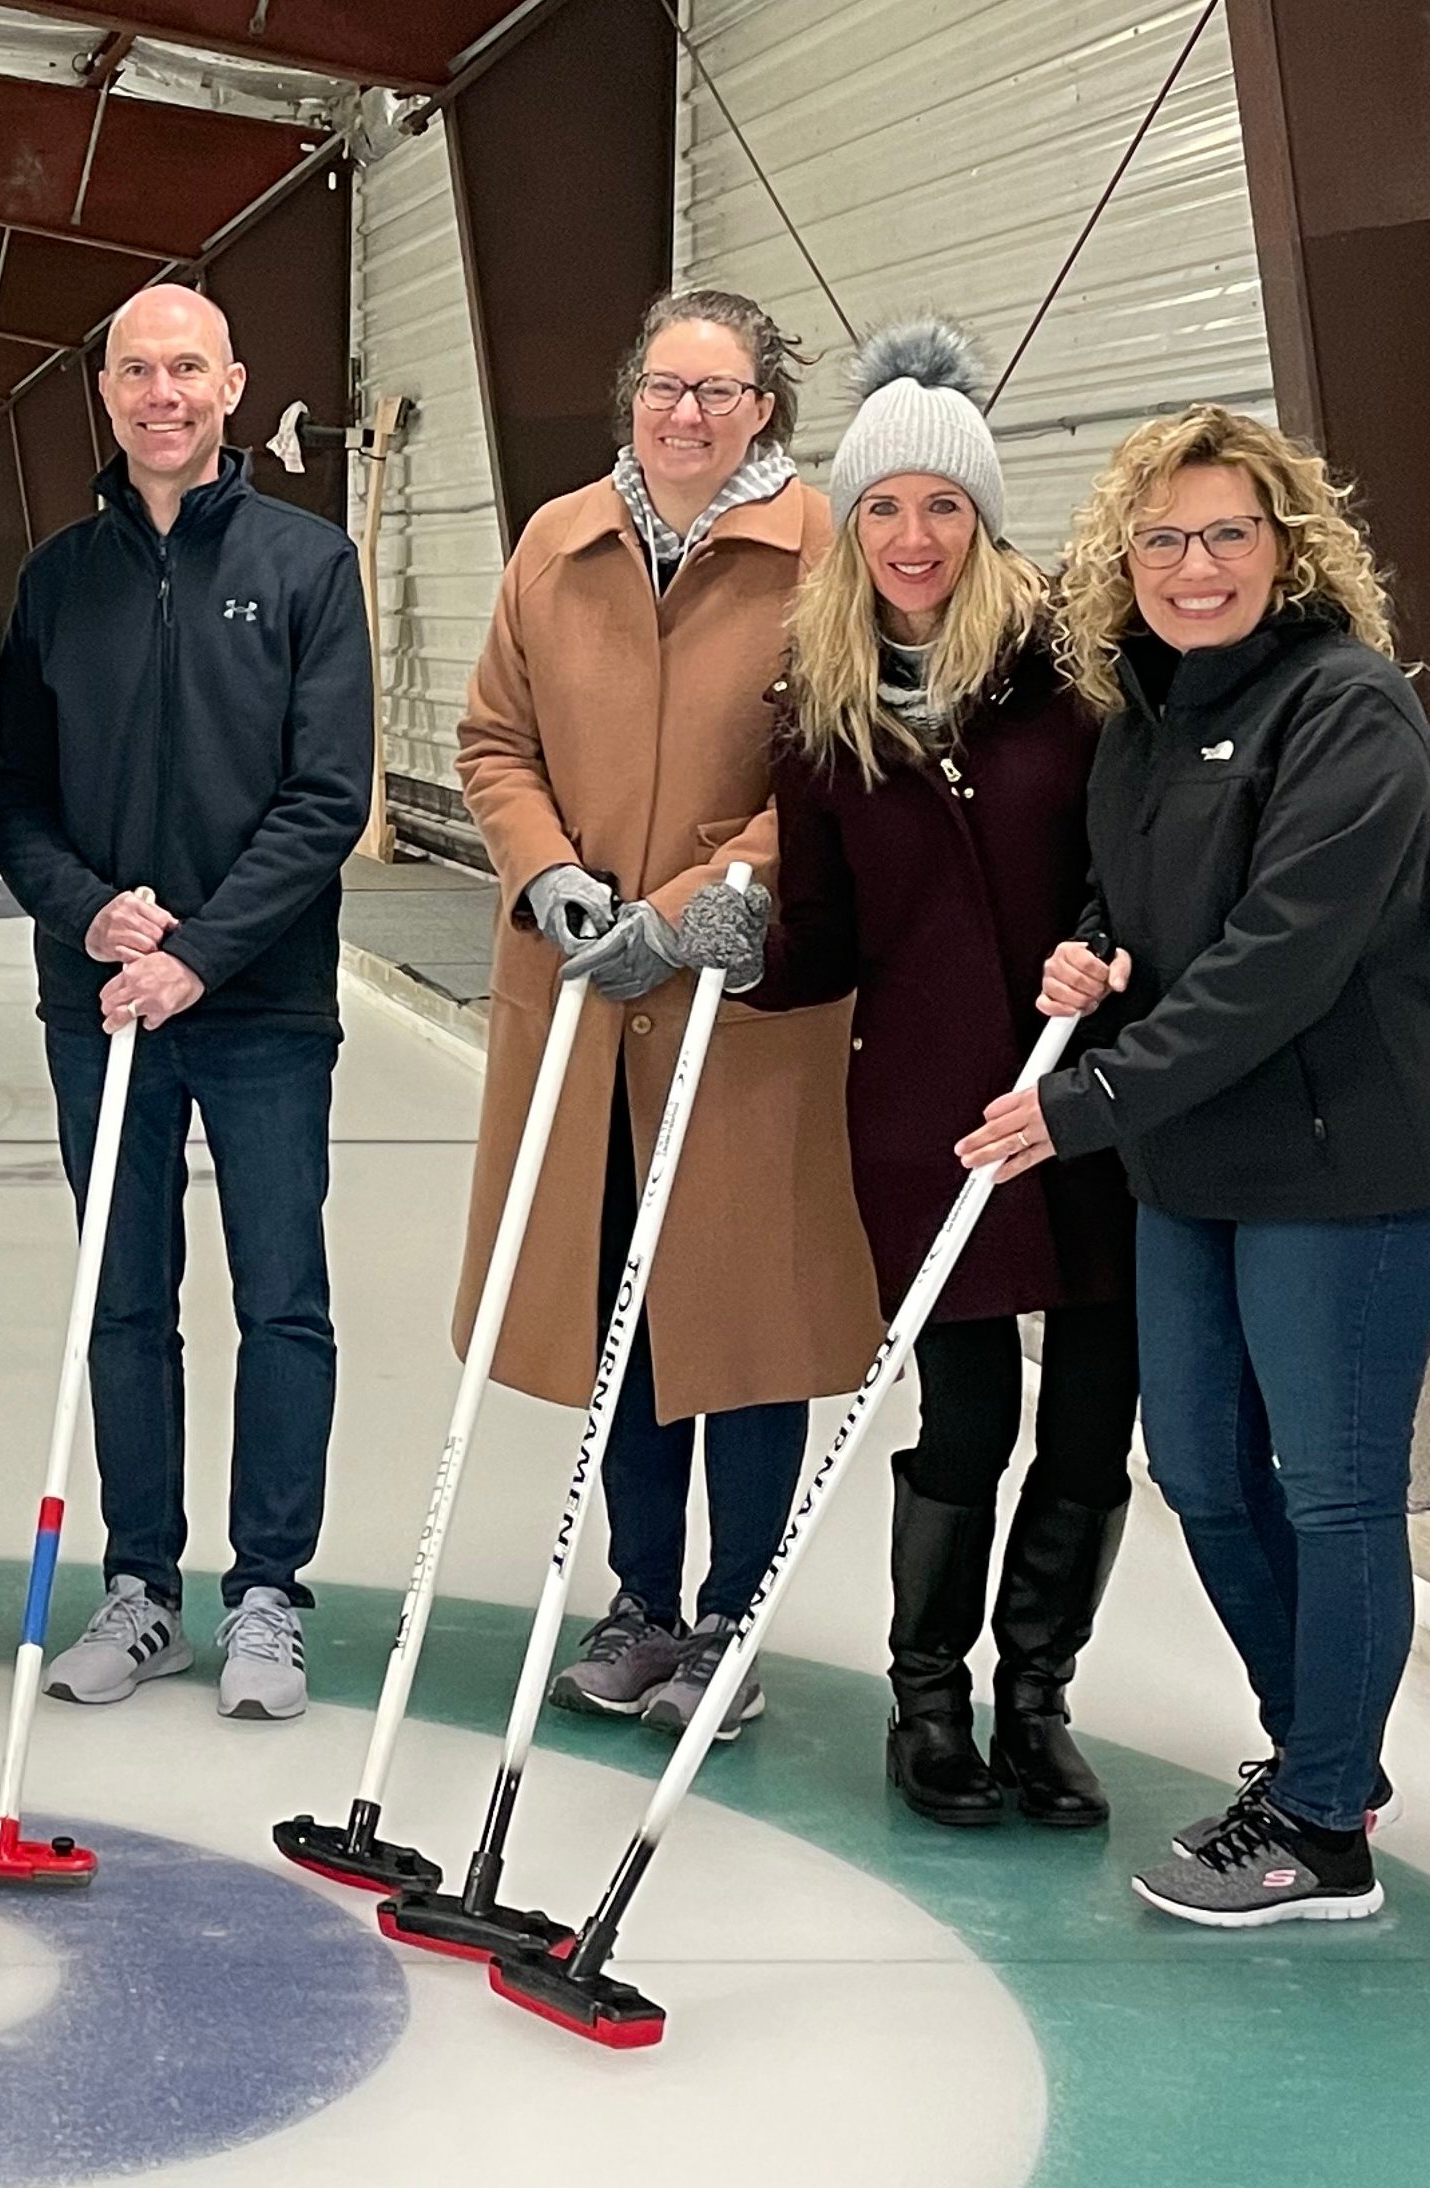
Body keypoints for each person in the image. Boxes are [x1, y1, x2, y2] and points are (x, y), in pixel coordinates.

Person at [964, 406, 1430, 1927]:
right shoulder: (1144, 710)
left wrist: (1083, 1105)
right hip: (1197, 1152)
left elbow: (1283, 957)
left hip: (1359, 1159)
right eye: (1163, 539)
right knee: (1202, 1470)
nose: (1194, 567)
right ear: (1121, 558)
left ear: (1289, 548)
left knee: (1333, 1490)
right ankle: (1320, 1750)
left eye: (1227, 536)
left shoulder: (1349, 710)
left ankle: (1324, 1822)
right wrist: (1088, 942)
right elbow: (1135, 889)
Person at [456, 287, 881, 1744]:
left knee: (741, 1321)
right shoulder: (556, 543)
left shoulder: (824, 552)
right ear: (628, 394)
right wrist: (548, 873)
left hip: (736, 1005)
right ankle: (640, 1600)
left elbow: (841, 760)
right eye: (662, 387)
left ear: (768, 406)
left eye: (720, 391)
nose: (686, 415)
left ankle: (730, 1618)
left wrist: (708, 892)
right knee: (619, 1315)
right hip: (584, 1004)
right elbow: (492, 740)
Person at [751, 319, 1137, 1827]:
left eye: (943, 508)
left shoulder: (1076, 682)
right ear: (852, 527)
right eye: (886, 509)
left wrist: (1101, 949)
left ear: (982, 522)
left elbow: (1137, 869)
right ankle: (934, 1702)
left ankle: (1039, 1696)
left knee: (1097, 1409)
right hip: (930, 1112)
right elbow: (828, 938)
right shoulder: (821, 707)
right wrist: (738, 952)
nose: (913, 536)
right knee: (966, 1415)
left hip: (1089, 1094)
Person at [0, 284, 373, 1722]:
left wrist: (199, 950)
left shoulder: (309, 564)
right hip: (103, 1010)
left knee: (284, 1299)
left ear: (231, 386)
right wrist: (88, 912)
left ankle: (267, 1594)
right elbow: (9, 795)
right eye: (137, 368)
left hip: (260, 1002)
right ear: (105, 390)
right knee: (124, 1302)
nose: (163, 391)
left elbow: (329, 793)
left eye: (188, 367)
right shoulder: (57, 580)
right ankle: (141, 1584)